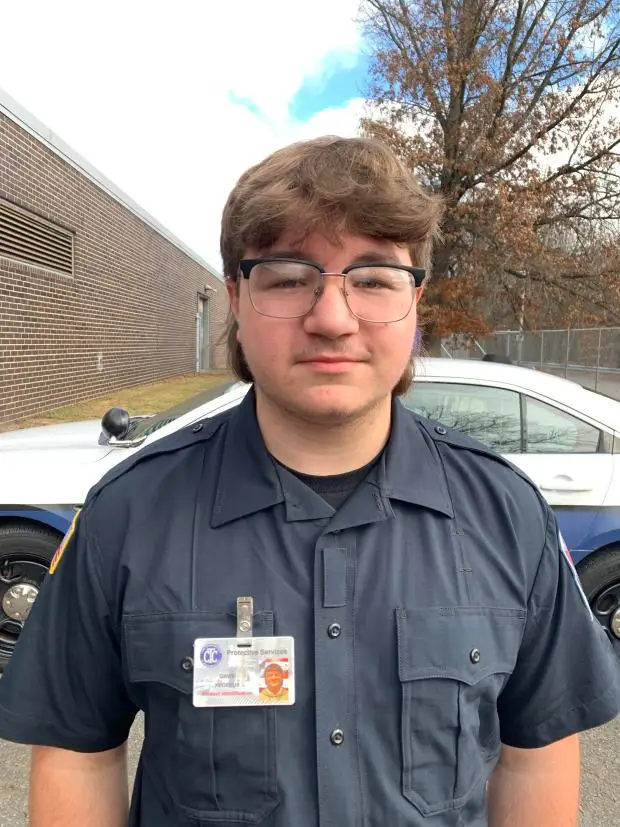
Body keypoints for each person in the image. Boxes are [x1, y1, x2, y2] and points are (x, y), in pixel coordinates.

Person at [0, 136, 618, 827]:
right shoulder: (127, 515)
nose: (331, 317)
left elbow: (534, 756)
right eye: (290, 277)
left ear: (415, 302)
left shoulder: (510, 517)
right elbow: (82, 755)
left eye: (374, 277)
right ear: (235, 297)